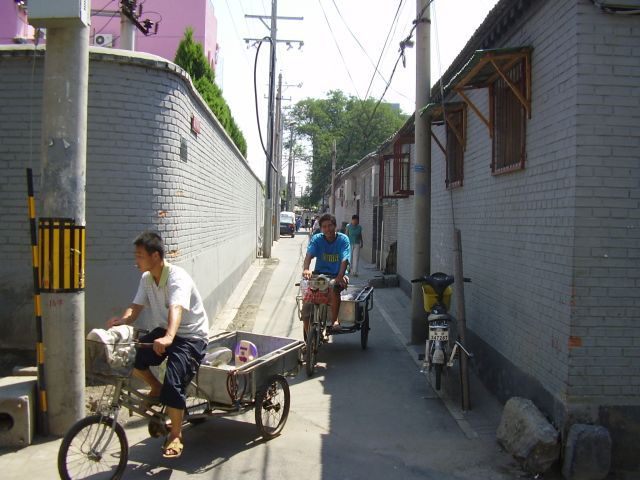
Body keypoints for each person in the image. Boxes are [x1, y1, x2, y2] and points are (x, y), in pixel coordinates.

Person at [107, 231, 209, 459]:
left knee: (174, 382)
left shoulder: (176, 278)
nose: (136, 260)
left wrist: (170, 337)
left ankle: (175, 435)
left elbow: (177, 309)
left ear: (155, 256)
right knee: (131, 356)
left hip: (191, 335)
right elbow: (135, 307)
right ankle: (156, 387)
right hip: (166, 332)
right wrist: (122, 320)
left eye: (140, 255)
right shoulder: (146, 279)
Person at [302, 213, 351, 334]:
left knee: (335, 288)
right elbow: (309, 255)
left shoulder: (343, 239)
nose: (327, 229)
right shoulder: (317, 239)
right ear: (321, 228)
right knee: (307, 303)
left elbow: (345, 259)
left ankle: (334, 320)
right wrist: (306, 268)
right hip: (319, 275)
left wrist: (340, 276)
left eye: (330, 226)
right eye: (324, 226)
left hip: (338, 274)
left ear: (335, 226)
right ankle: (308, 340)